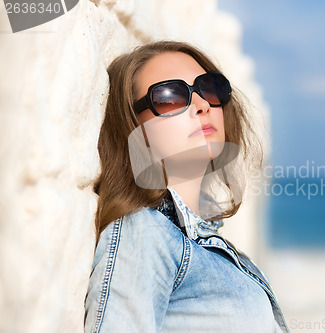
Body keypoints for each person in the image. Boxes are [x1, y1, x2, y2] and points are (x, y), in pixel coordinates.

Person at [84, 40, 289, 333]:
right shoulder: (144, 233)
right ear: (135, 129)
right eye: (170, 97)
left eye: (209, 88)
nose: (202, 105)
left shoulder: (205, 244)